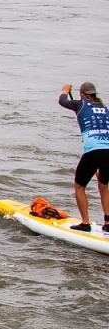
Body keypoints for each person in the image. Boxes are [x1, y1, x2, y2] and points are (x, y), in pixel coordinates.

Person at [59, 82, 109, 233]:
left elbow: (62, 101)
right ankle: (107, 222)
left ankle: (85, 223)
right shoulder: (105, 108)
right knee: (104, 184)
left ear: (82, 94)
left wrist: (65, 90)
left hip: (93, 151)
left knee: (80, 186)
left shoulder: (80, 104)